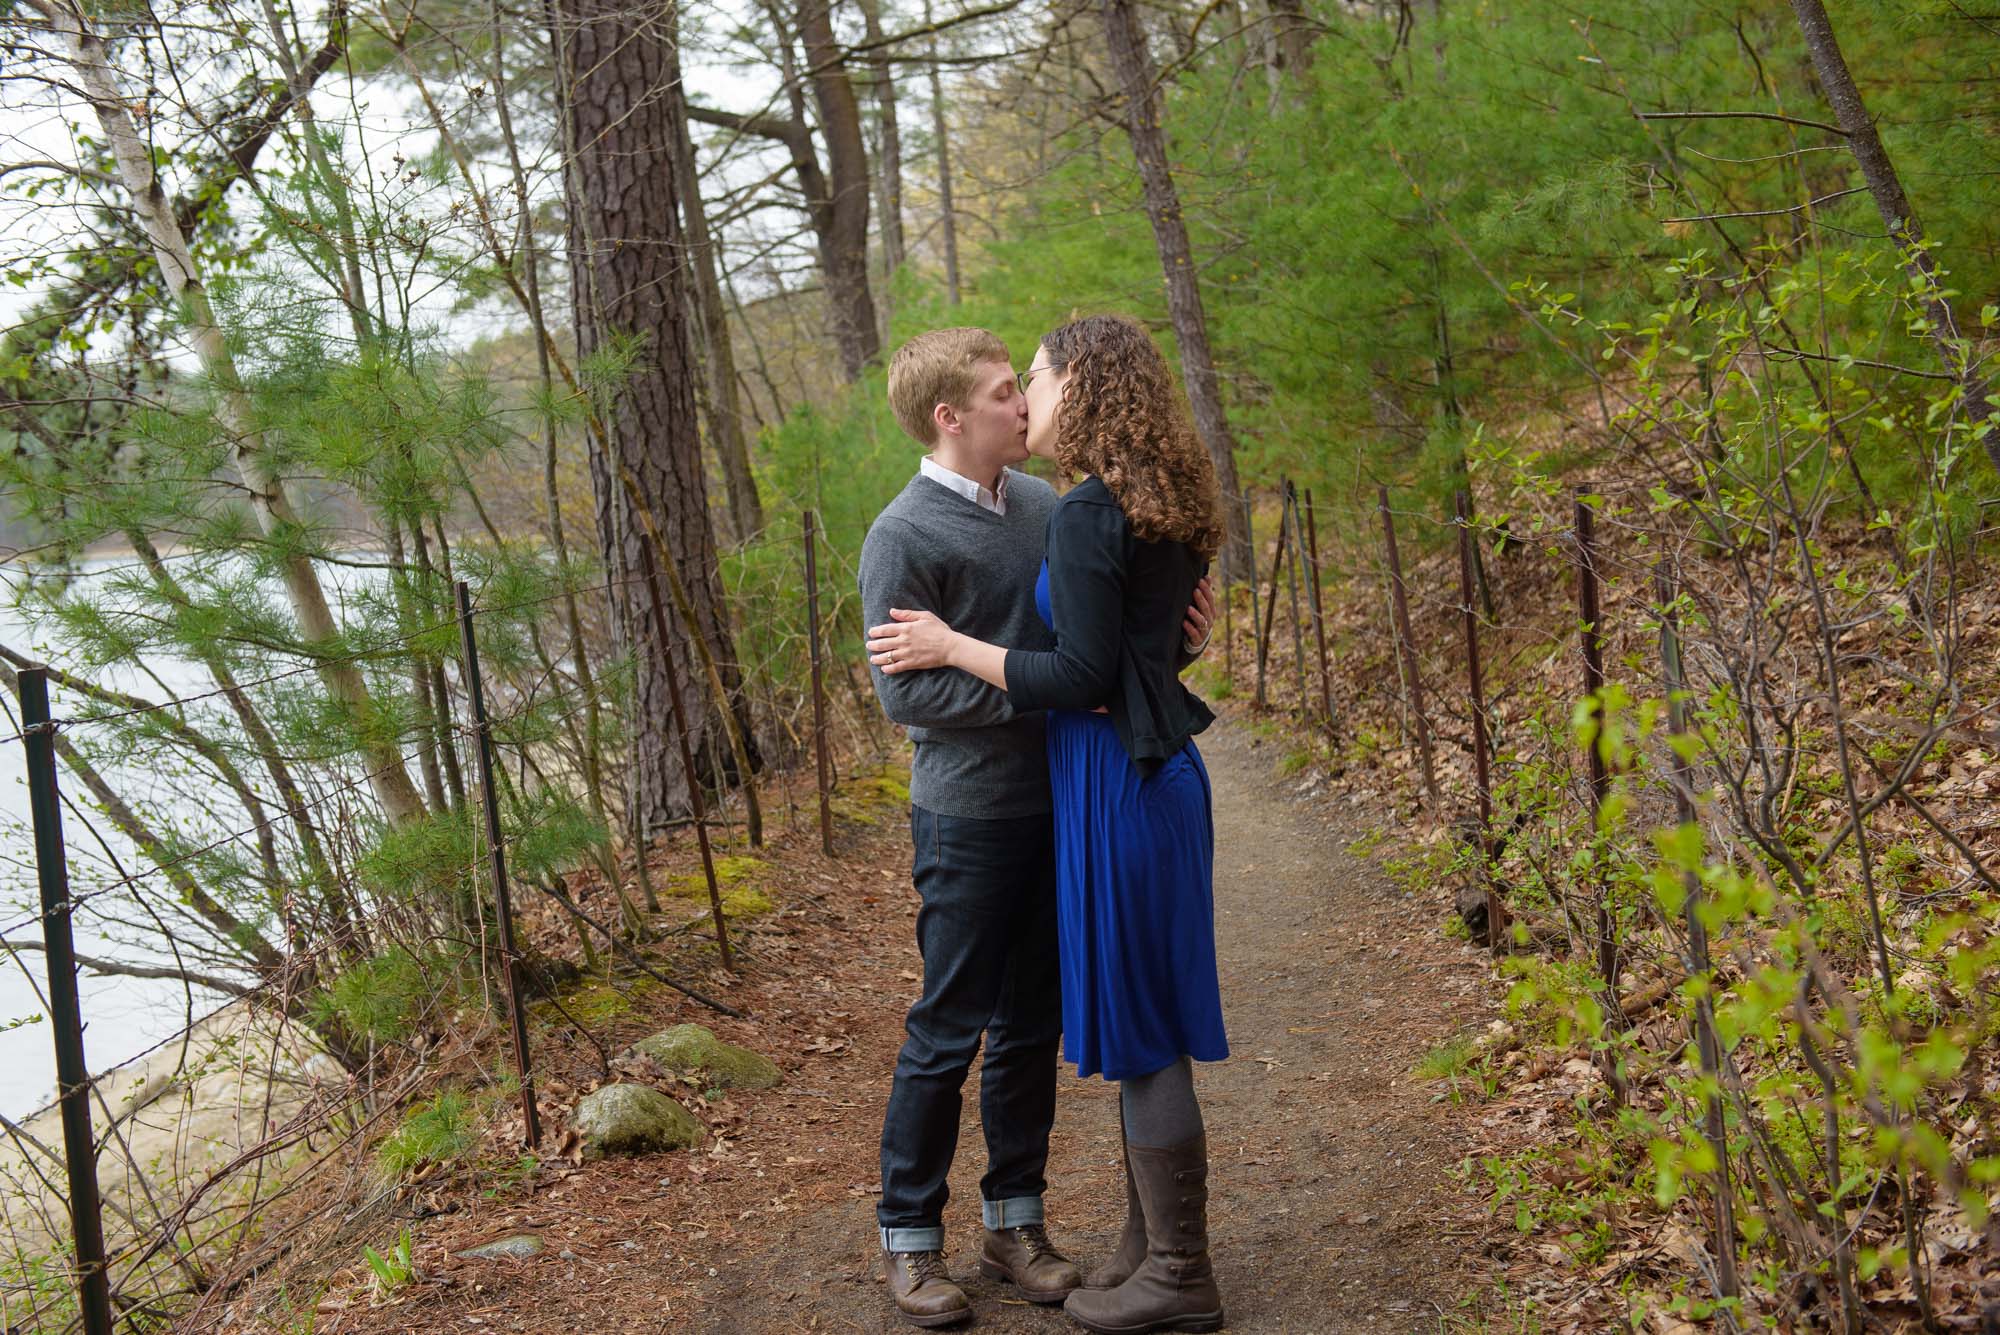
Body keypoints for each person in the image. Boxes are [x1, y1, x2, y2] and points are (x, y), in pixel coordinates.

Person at [868, 313, 1229, 1335]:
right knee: (949, 1026)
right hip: (972, 810)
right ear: (951, 415)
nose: (1023, 402)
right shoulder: (902, 535)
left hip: (1074, 802)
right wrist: (1059, 696)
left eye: (1026, 381)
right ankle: (909, 1236)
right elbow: (905, 694)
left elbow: (1105, 648)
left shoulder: (1048, 504)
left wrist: (1156, 660)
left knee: (1033, 1024)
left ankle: (1014, 1224)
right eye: (1004, 390)